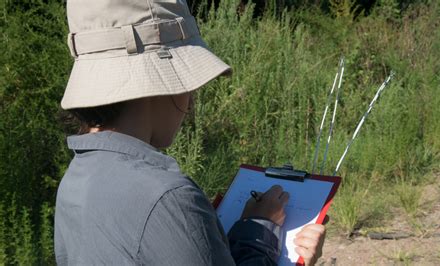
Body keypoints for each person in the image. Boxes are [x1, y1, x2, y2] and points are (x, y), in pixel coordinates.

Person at [55, 0, 326, 265]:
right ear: (161, 81)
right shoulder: (169, 198)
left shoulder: (77, 178)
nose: (191, 100)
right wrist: (259, 231)